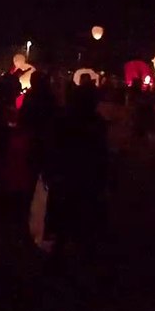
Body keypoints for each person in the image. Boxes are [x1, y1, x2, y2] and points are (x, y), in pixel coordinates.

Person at [49, 80, 109, 255]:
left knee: (67, 214)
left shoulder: (65, 119)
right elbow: (101, 152)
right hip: (83, 176)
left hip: (71, 174)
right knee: (79, 215)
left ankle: (63, 248)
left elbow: (54, 145)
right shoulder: (95, 123)